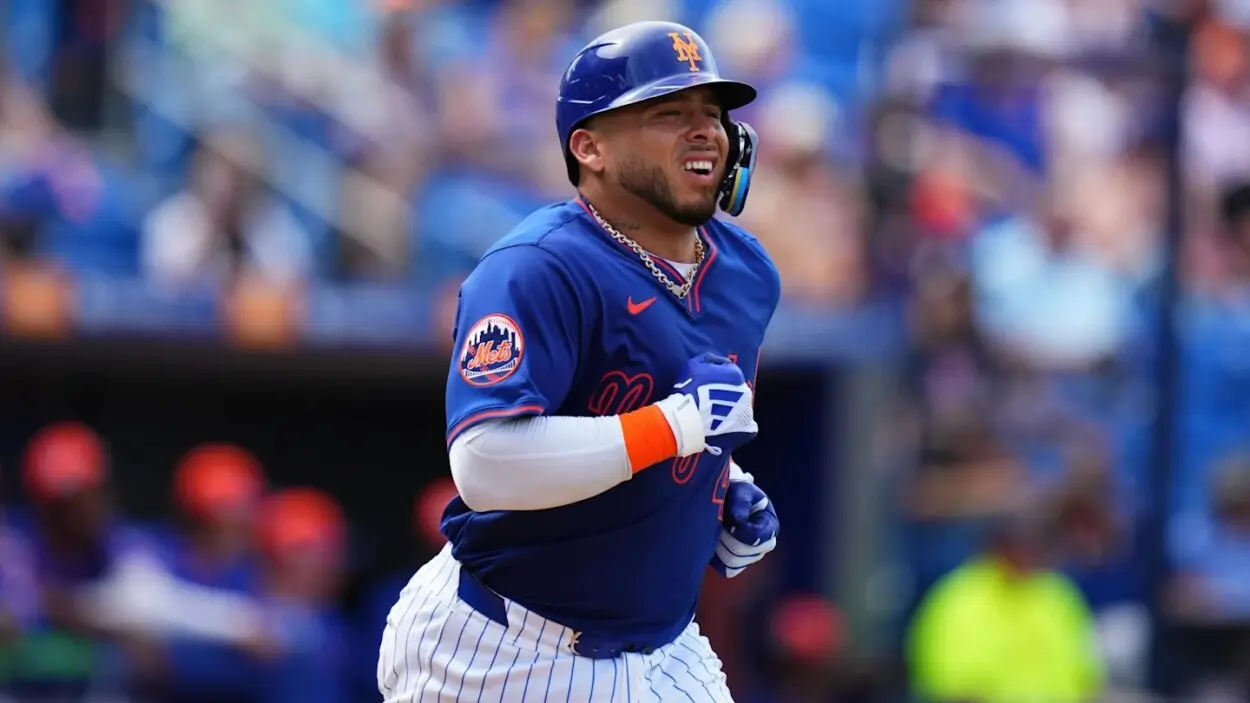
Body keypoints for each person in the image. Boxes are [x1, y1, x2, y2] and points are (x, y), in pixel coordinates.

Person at [377, 20, 782, 702]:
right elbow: (486, 464)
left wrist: (721, 491)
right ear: (589, 147)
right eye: (669, 113)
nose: (705, 131)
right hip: (506, 648)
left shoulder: (747, 271)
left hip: (663, 648)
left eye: (713, 113)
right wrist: (677, 427)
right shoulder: (538, 265)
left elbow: (675, 419)